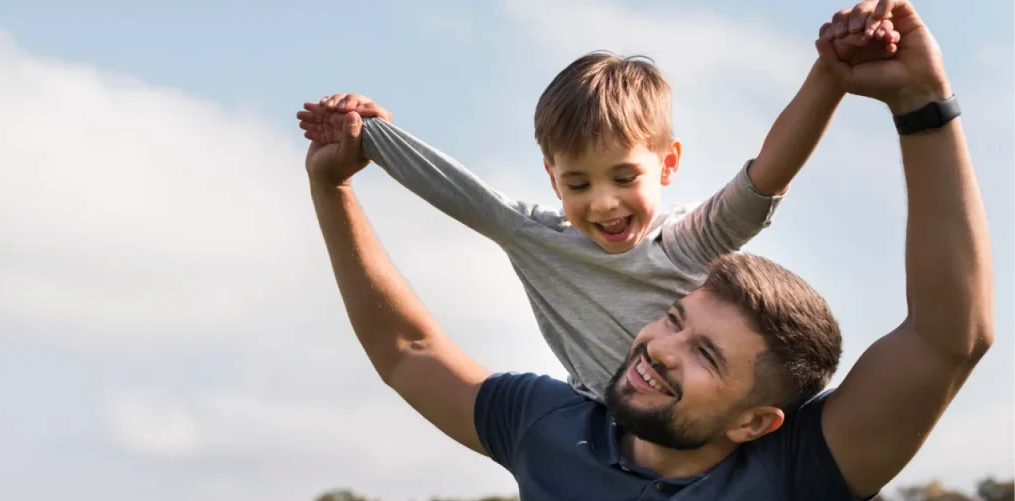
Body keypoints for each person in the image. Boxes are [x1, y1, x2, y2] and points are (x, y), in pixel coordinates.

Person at [302, 0, 993, 501]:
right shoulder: (549, 430)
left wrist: (920, 103)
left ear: (757, 420)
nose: (662, 349)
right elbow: (407, 349)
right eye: (672, 317)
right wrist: (331, 186)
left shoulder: (796, 477)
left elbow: (948, 337)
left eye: (708, 357)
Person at [296, 6, 900, 407]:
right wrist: (366, 132)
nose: (604, 202)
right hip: (610, 432)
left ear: (667, 165)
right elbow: (455, 189)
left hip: (728, 442)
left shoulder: (686, 242)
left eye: (624, 175)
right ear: (552, 180)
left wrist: (831, 73)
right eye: (578, 183)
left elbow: (768, 174)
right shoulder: (536, 239)